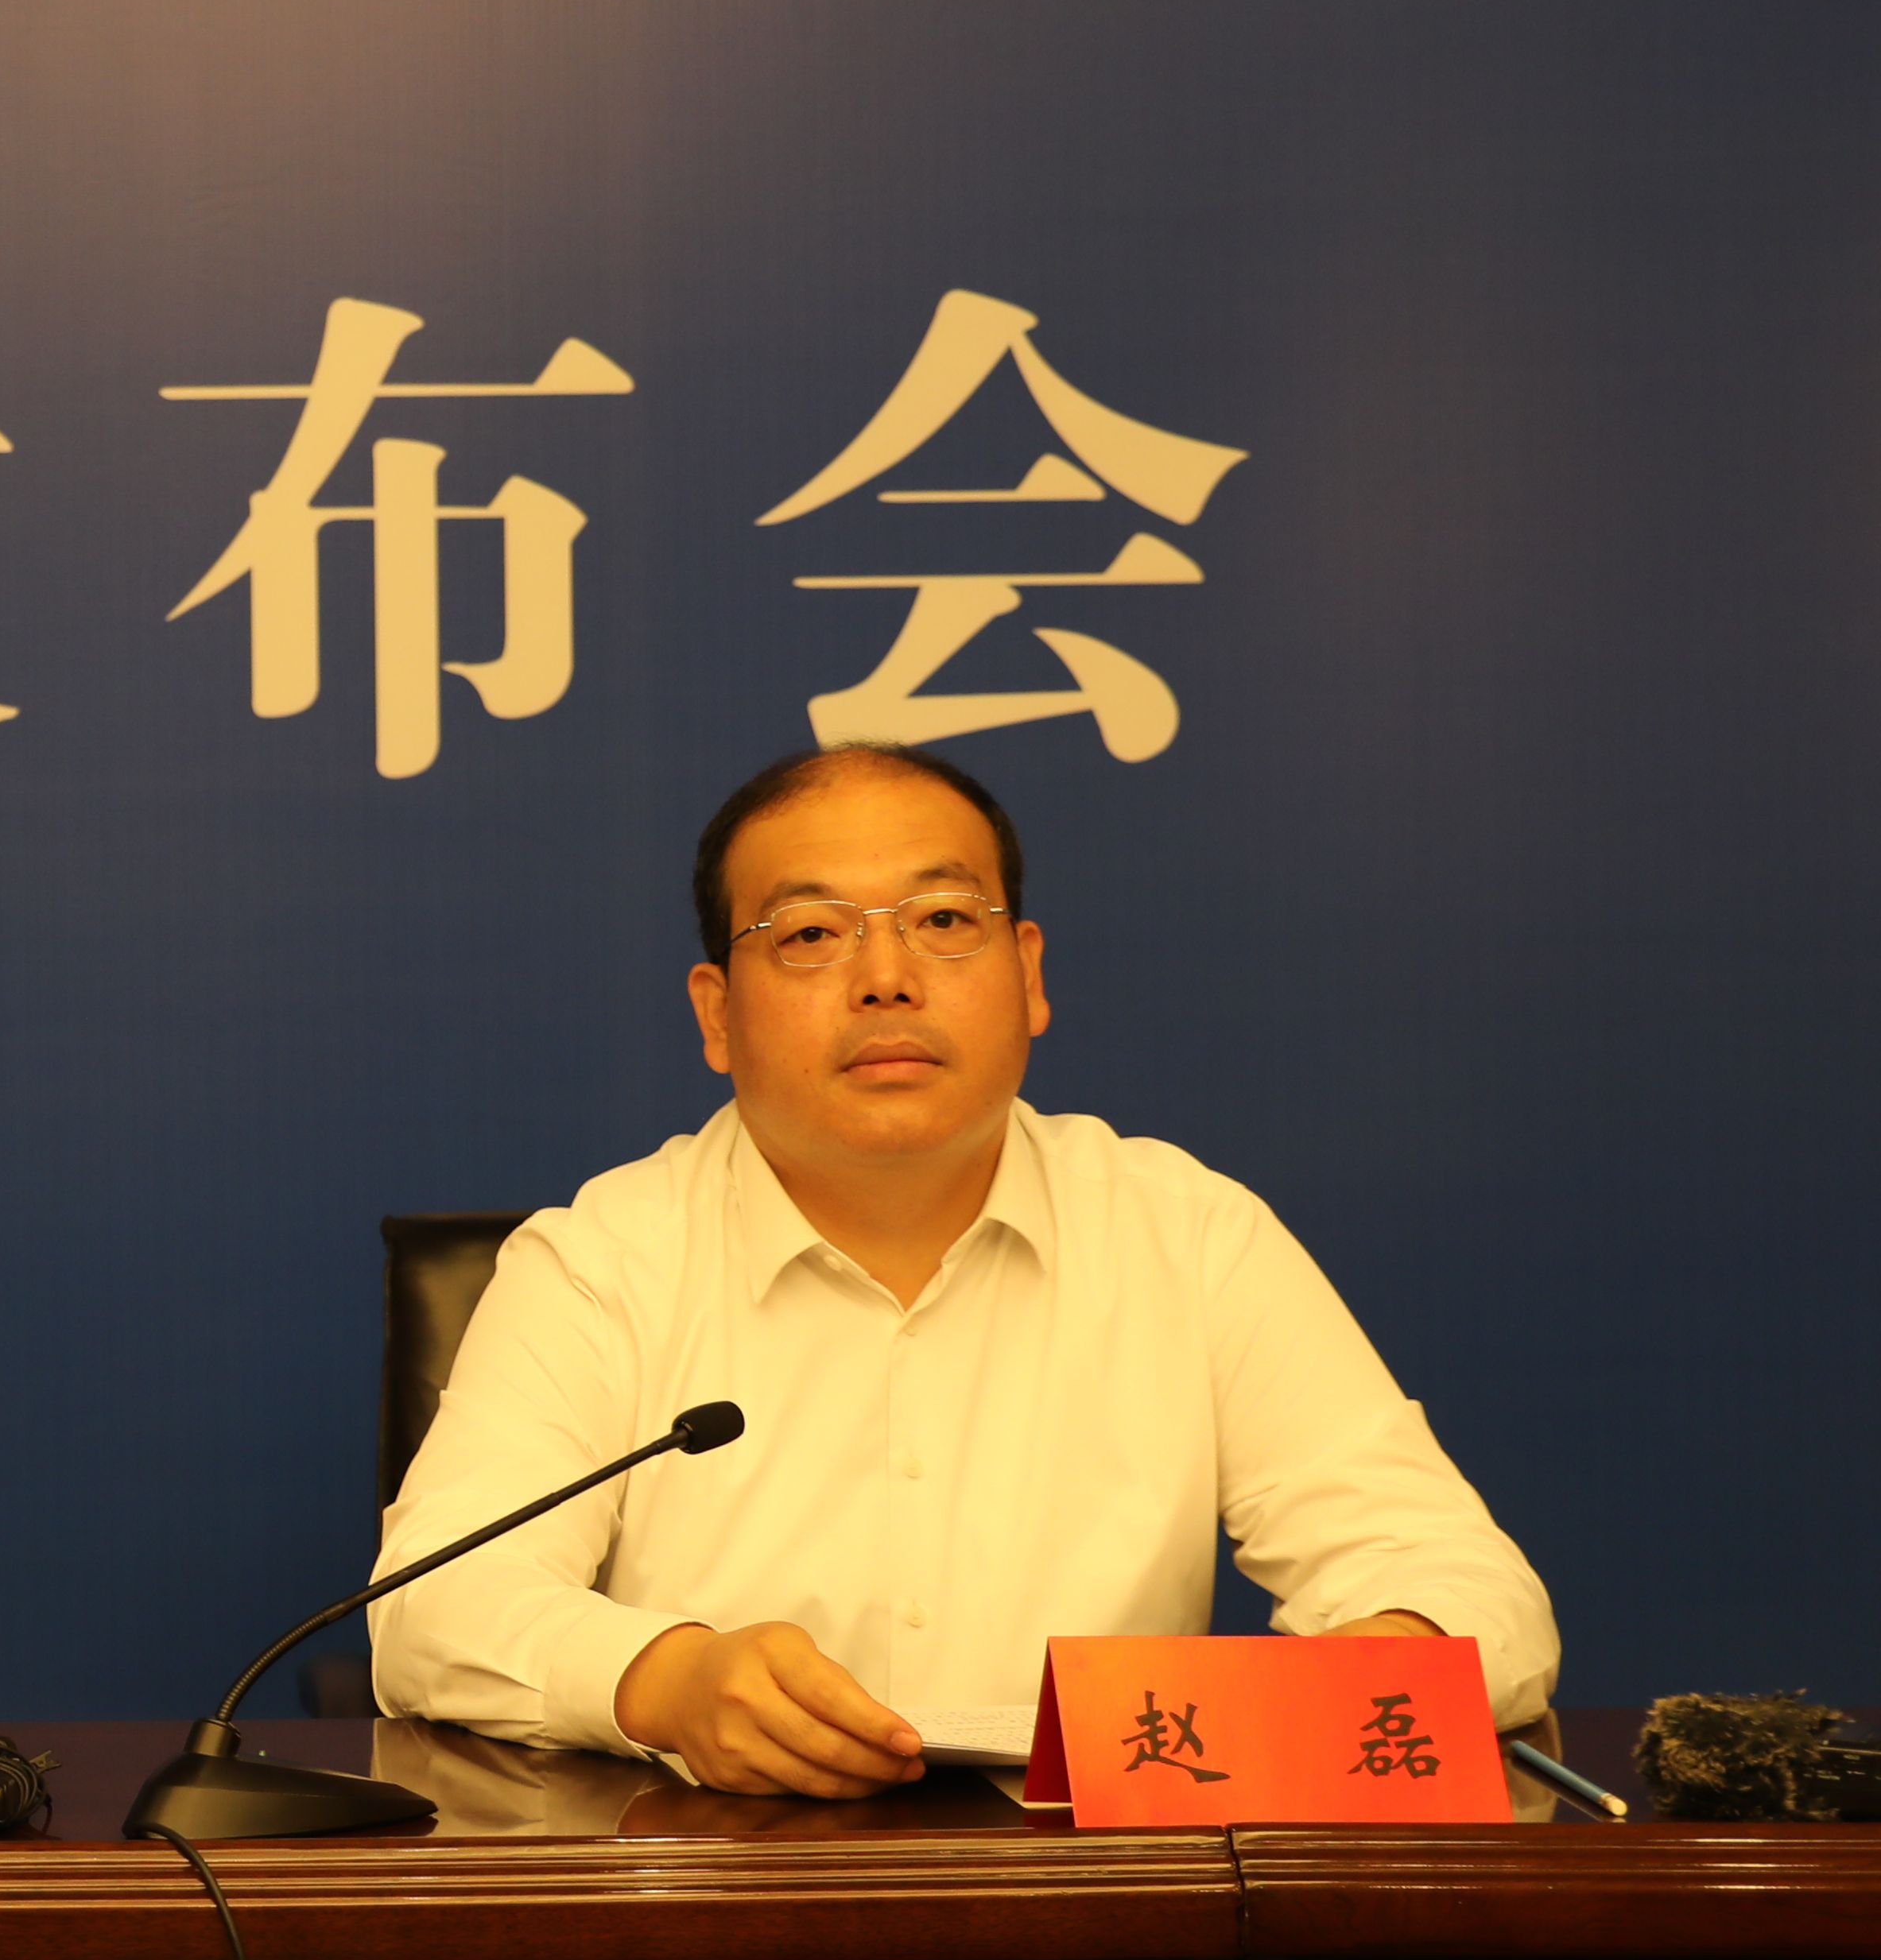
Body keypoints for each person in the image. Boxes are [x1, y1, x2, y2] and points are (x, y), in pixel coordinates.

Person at [367, 743, 1555, 1797]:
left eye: (943, 920)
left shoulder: (1187, 1235)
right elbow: (432, 1609)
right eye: (812, 934)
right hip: (712, 1907)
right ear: (717, 1014)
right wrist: (664, 1682)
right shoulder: (601, 1263)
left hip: (1106, 1908)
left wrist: (1375, 1664)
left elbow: (1470, 1592)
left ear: (1028, 976)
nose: (886, 977)